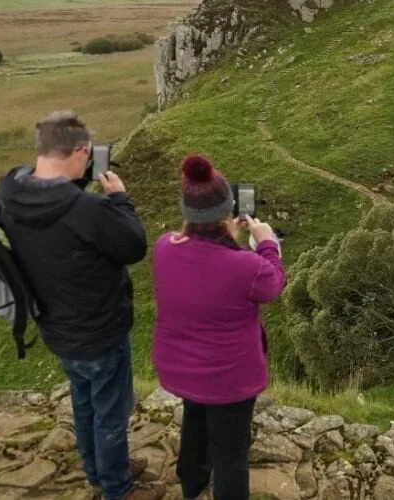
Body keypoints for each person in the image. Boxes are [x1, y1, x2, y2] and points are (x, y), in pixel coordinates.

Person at [0, 112, 158, 500]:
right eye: (87, 155)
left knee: (84, 402)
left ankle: (97, 470)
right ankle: (117, 488)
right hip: (100, 330)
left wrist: (78, 183)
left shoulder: (10, 191)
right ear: (82, 151)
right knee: (110, 415)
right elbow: (133, 246)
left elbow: (50, 202)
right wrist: (118, 198)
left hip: (54, 325)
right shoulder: (88, 210)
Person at [151, 154, 286, 500]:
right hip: (230, 379)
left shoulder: (165, 248)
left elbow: (207, 265)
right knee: (230, 454)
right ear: (226, 210)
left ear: (187, 211)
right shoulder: (247, 267)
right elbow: (272, 285)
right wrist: (267, 241)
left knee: (194, 422)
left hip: (183, 370)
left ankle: (192, 487)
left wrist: (229, 236)